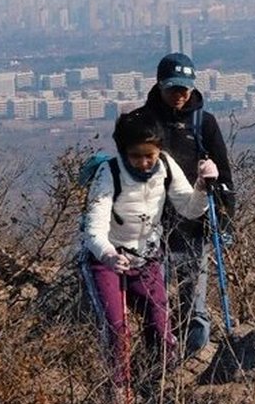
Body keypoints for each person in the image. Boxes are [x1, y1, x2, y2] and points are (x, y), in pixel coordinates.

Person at [80, 110, 217, 386]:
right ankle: (118, 394)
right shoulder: (109, 174)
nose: (143, 163)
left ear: (159, 150)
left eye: (149, 155)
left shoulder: (166, 166)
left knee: (160, 326)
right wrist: (107, 253)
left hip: (147, 259)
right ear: (123, 151)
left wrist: (202, 187)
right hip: (106, 260)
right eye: (135, 155)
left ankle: (158, 383)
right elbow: (93, 228)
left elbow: (188, 209)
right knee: (117, 330)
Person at [130, 52, 235, 357]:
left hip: (195, 225)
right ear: (159, 85)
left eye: (184, 88)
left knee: (194, 303)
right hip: (150, 225)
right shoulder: (140, 122)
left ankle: (189, 361)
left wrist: (227, 221)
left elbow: (225, 177)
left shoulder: (204, 123)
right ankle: (157, 357)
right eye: (173, 88)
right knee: (154, 300)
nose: (179, 95)